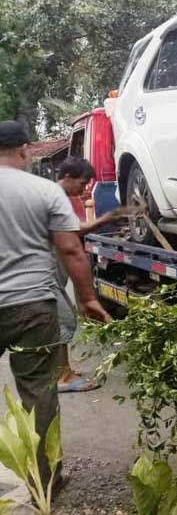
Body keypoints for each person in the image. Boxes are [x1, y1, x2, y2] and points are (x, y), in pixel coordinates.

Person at [0, 121, 111, 490]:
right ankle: (45, 479)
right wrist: (88, 298)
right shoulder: (44, 190)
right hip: (31, 303)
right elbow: (69, 248)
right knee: (37, 390)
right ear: (25, 150)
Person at [54, 156, 131, 392]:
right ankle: (62, 378)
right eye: (83, 182)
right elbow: (75, 232)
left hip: (49, 275)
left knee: (59, 322)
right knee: (63, 322)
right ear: (68, 177)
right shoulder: (53, 197)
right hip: (44, 278)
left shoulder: (57, 196)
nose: (85, 188)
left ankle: (61, 371)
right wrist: (109, 218)